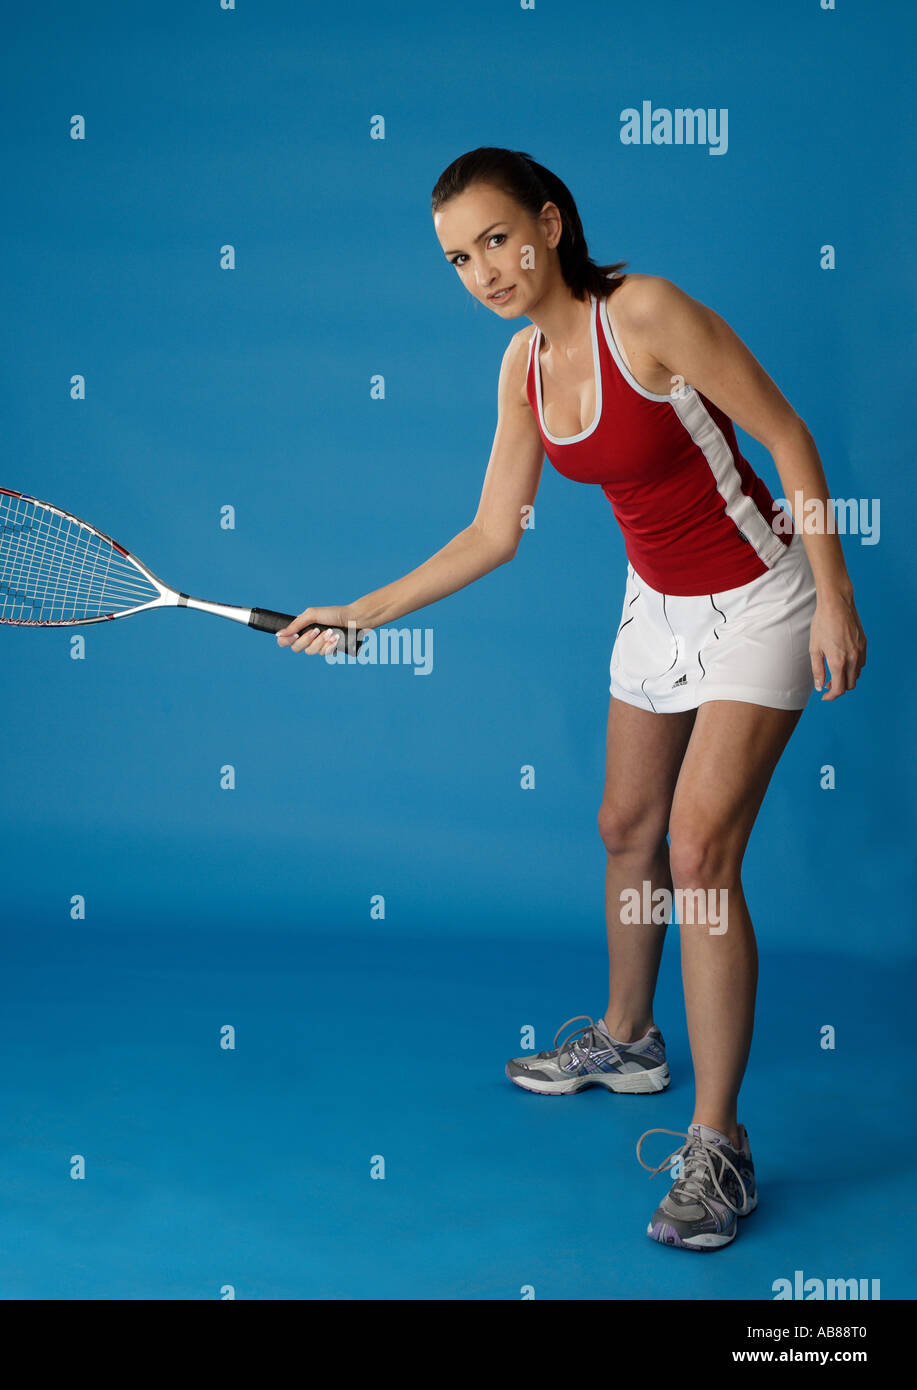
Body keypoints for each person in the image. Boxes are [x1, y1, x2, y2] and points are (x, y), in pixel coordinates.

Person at [275, 146, 867, 1251]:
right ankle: (631, 1038)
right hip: (657, 602)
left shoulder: (644, 313)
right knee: (625, 827)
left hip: (760, 598)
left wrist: (833, 590)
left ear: (550, 223)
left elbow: (787, 436)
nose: (484, 269)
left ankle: (718, 1143)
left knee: (698, 854)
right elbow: (496, 531)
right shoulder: (520, 369)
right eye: (459, 257)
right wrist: (362, 611)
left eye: (498, 238)